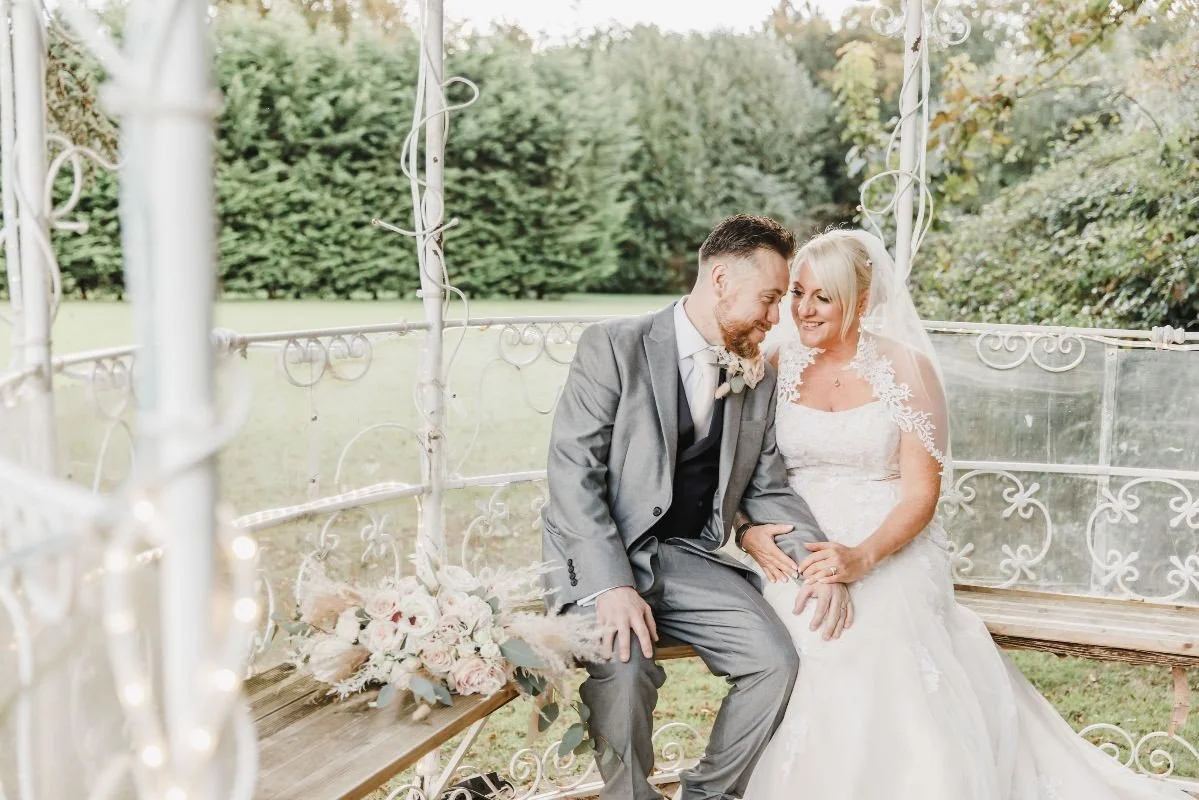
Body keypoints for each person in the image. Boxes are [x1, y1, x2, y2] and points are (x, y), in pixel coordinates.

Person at [739, 227, 1191, 800]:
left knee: (868, 633)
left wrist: (860, 558)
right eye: (797, 293)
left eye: (821, 298)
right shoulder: (777, 361)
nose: (802, 310)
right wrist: (751, 532)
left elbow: (921, 494)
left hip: (884, 539)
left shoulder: (905, 369)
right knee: (788, 626)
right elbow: (742, 470)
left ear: (858, 299)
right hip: (797, 538)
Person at [541, 214, 853, 800]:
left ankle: (709, 794)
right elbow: (573, 476)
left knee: (773, 662)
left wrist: (818, 560)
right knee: (625, 672)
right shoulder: (613, 347)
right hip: (602, 557)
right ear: (718, 280)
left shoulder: (755, 374)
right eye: (767, 299)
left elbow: (768, 488)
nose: (773, 318)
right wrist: (610, 586)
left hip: (687, 558)